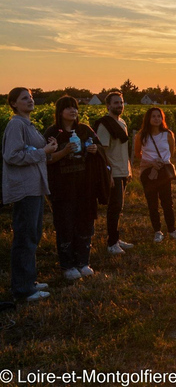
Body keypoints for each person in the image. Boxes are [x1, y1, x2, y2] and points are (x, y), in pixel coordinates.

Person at [44, 95, 110, 280]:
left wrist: (95, 151)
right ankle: (67, 265)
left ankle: (83, 261)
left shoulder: (85, 130)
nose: (73, 111)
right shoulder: (52, 132)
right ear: (60, 112)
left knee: (85, 222)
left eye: (75, 107)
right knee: (65, 224)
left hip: (85, 186)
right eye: (68, 108)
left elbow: (100, 148)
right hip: (62, 188)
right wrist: (64, 152)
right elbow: (45, 159)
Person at [2, 87, 57, 301]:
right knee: (25, 238)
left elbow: (37, 153)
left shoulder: (28, 125)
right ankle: (23, 290)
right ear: (14, 104)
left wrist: (49, 148)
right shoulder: (16, 124)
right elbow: (11, 156)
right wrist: (43, 152)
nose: (30, 100)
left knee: (32, 235)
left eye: (31, 97)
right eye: (25, 98)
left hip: (35, 187)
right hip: (25, 189)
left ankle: (29, 281)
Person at [94, 91, 135, 255]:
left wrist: (129, 169)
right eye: (116, 103)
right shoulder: (105, 125)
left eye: (121, 102)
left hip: (123, 171)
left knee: (119, 207)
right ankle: (112, 243)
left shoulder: (122, 123)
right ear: (108, 106)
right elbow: (102, 152)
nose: (119, 105)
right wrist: (108, 174)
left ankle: (116, 239)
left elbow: (123, 150)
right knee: (114, 208)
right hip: (113, 173)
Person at [134, 107, 176, 243]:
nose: (156, 119)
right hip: (148, 172)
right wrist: (151, 163)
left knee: (167, 202)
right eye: (153, 116)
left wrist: (160, 162)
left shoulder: (168, 134)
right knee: (152, 203)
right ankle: (157, 231)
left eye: (159, 116)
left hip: (163, 170)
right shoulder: (141, 135)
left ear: (162, 119)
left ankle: (172, 230)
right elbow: (138, 154)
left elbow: (171, 153)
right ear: (148, 119)